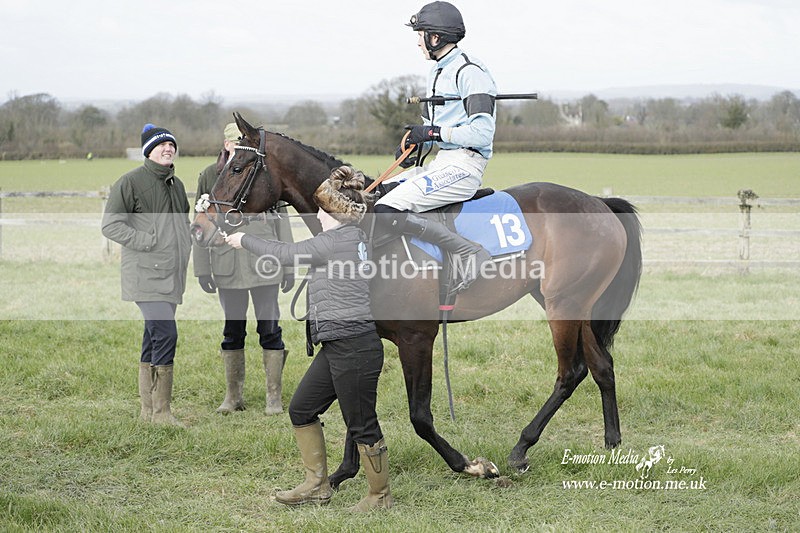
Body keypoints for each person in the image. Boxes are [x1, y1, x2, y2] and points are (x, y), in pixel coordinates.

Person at [225, 165, 392, 512]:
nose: (316, 213)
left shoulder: (337, 240)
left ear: (333, 211)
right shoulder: (353, 236)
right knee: (302, 408)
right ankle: (317, 485)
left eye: (320, 207)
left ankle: (380, 497)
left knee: (362, 425)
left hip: (355, 347)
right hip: (337, 345)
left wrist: (244, 240)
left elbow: (286, 254)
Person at [373, 1, 498, 292]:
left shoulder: (470, 71)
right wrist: (413, 144)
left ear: (436, 37)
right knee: (377, 193)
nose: (418, 41)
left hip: (466, 165)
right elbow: (436, 130)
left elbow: (481, 132)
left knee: (386, 209)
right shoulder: (437, 71)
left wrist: (432, 131)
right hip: (443, 162)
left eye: (421, 34)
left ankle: (471, 251)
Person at [194, 123, 294, 416]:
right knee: (232, 330)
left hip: (264, 259)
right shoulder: (209, 176)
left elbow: (282, 220)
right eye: (232, 143)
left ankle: (273, 398)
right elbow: (200, 222)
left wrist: (287, 265)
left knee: (270, 328)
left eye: (242, 143)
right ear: (225, 144)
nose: (237, 147)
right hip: (227, 262)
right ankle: (232, 397)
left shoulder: (264, 170)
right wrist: (202, 268)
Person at [101, 124, 191, 426]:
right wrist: (147, 239)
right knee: (166, 333)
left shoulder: (176, 186)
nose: (168, 149)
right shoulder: (130, 182)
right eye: (161, 145)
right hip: (145, 274)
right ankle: (162, 412)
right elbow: (110, 226)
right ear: (148, 151)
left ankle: (148, 411)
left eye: (171, 145)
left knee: (153, 336)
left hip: (171, 274)